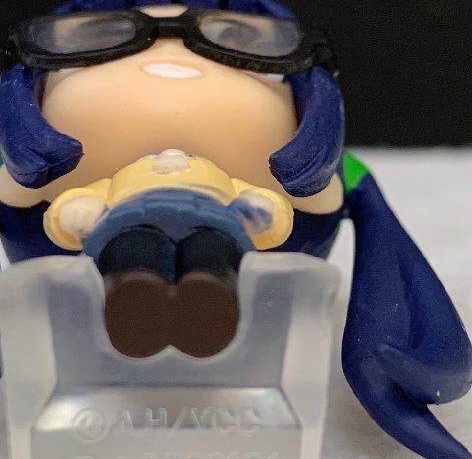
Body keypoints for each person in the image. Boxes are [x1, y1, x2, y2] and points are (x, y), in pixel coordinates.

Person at [0, 0, 472, 459]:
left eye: (234, 41)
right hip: (109, 235)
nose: (170, 54)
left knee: (208, 259)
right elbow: (20, 210)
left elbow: (316, 213)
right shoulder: (14, 172)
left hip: (230, 232)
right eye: (105, 36)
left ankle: (206, 304)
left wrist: (266, 209)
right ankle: (138, 301)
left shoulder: (331, 178)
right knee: (133, 256)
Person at [43, 149, 293, 358]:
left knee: (210, 253)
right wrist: (78, 210)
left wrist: (261, 208)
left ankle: (210, 301)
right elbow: (76, 201)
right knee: (134, 251)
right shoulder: (112, 185)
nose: (169, 155)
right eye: (150, 157)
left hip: (214, 224)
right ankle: (131, 302)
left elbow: (271, 209)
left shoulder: (229, 184)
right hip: (129, 224)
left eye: (191, 156)